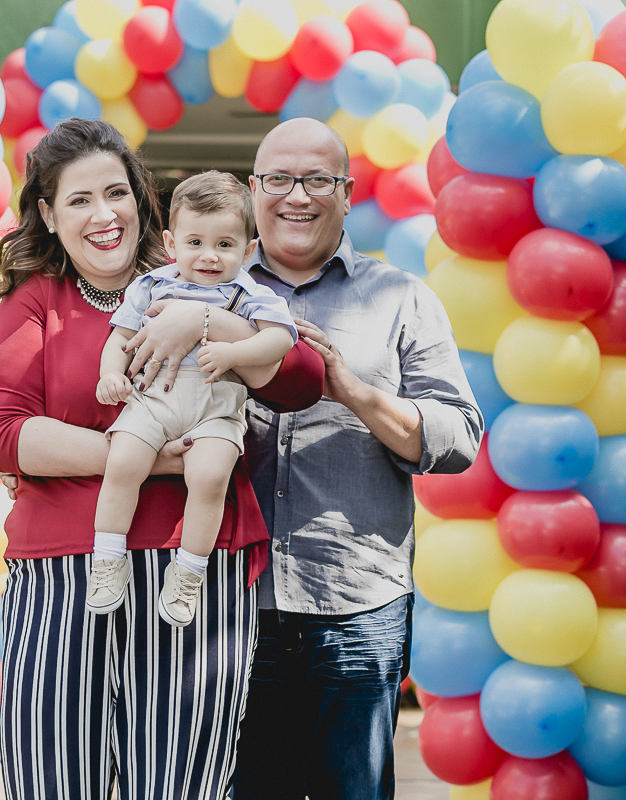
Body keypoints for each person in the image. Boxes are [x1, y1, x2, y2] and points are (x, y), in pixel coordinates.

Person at [125, 117, 482, 800]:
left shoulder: (400, 298)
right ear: (255, 190)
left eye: (318, 179)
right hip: (226, 608)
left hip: (356, 608)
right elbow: (118, 391)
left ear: (346, 193)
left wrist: (352, 390)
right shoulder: (182, 289)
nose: (298, 195)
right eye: (281, 179)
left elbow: (459, 437)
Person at [0, 119, 324, 800]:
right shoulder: (36, 303)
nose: (103, 216)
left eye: (117, 194)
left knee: (180, 784)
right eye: (79, 200)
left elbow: (301, 377)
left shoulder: (207, 276)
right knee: (52, 778)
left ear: (142, 202)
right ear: (47, 213)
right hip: (60, 574)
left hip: (195, 572)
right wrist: (137, 457)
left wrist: (203, 321)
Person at [91, 171, 297, 628]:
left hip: (215, 410)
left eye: (225, 245)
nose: (209, 256)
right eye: (195, 242)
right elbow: (120, 336)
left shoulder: (249, 294)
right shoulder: (150, 287)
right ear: (170, 244)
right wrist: (110, 373)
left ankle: (189, 571)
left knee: (209, 477)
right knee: (122, 463)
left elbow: (280, 340)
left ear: (247, 251)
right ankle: (107, 559)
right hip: (151, 401)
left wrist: (234, 351)